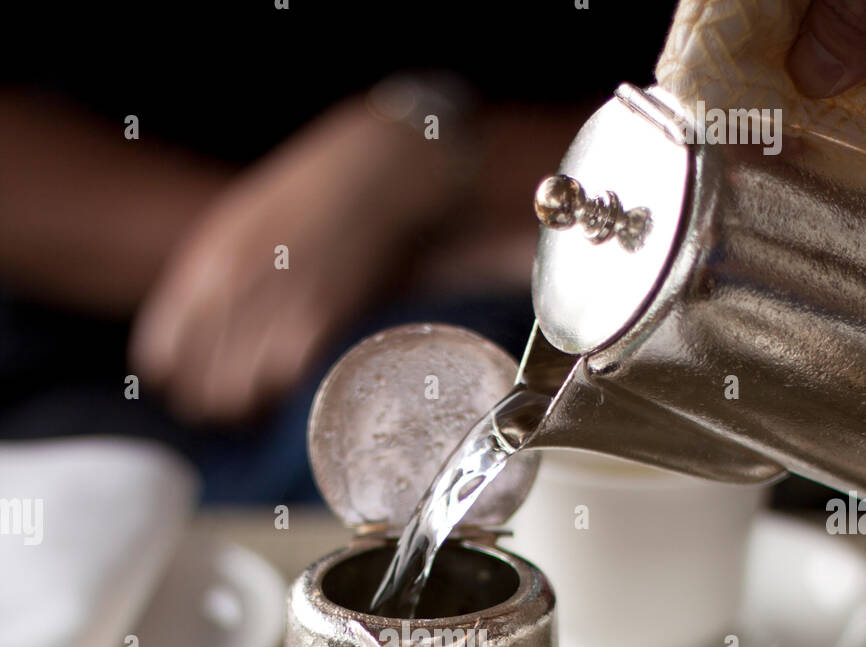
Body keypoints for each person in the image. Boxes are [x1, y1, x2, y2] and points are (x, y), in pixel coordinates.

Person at [0, 0, 862, 503]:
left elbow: (767, 128)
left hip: (572, 305)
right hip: (93, 343)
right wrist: (277, 252)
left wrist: (431, 153)